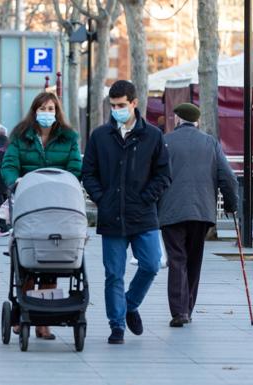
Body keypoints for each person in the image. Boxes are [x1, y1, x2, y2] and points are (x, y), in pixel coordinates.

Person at [82, 80, 171, 344]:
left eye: (121, 105)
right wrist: (102, 199)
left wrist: (146, 198)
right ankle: (117, 325)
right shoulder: (100, 136)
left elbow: (163, 175)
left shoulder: (153, 136)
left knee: (152, 264)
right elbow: (88, 173)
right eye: (113, 106)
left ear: (134, 103)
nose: (117, 110)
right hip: (111, 216)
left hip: (143, 215)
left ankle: (130, 304)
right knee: (114, 274)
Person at [0, 91, 82, 340]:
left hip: (58, 204)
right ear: (35, 110)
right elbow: (10, 165)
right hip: (29, 204)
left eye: (51, 109)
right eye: (43, 108)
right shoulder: (21, 136)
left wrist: (69, 183)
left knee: (53, 260)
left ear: (57, 112)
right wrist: (16, 181)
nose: (47, 113)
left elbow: (75, 167)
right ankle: (25, 310)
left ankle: (44, 320)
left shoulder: (68, 138)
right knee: (26, 261)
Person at [159, 103, 238, 327]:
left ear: (176, 120)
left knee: (177, 259)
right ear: (197, 121)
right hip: (202, 212)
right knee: (194, 260)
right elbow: (229, 178)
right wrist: (231, 205)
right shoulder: (210, 142)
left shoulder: (165, 142)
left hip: (171, 210)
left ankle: (179, 311)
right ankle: (188, 307)